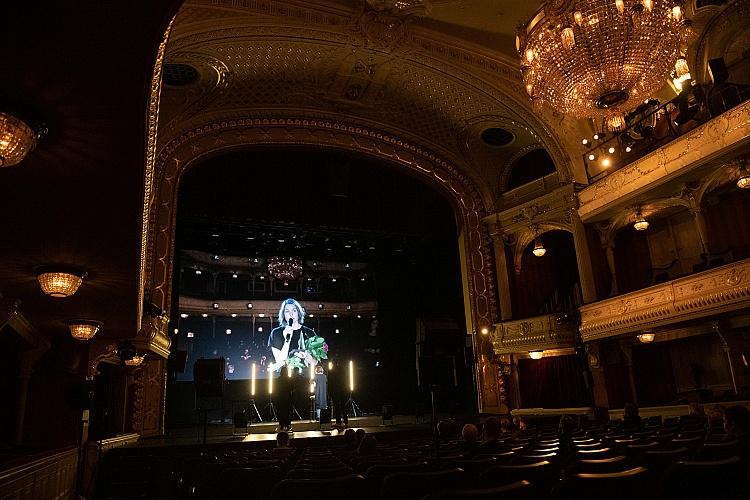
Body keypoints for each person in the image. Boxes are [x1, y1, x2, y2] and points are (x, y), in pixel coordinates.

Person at [267, 298, 317, 432]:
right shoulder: (276, 333)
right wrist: (287, 340)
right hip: (285, 375)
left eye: (294, 310)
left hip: (305, 376)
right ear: (283, 314)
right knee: (282, 398)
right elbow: (280, 360)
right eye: (287, 311)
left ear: (299, 313)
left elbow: (315, 362)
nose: (291, 314)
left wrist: (307, 355)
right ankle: (285, 425)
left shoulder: (308, 333)